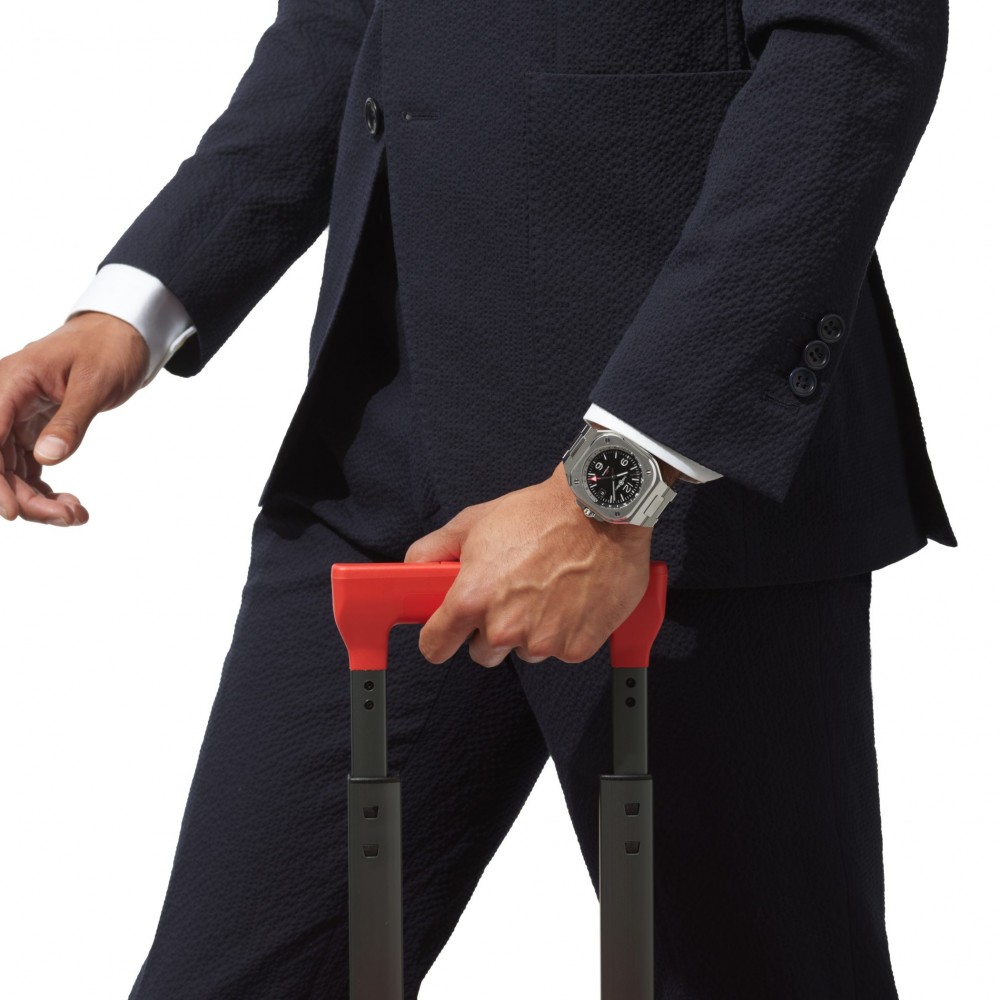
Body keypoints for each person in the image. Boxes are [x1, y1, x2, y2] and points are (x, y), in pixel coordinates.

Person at [0, 0, 959, 997]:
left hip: (683, 485)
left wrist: (614, 485)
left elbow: (851, 60)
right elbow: (340, 25)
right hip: (380, 453)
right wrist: (135, 304)